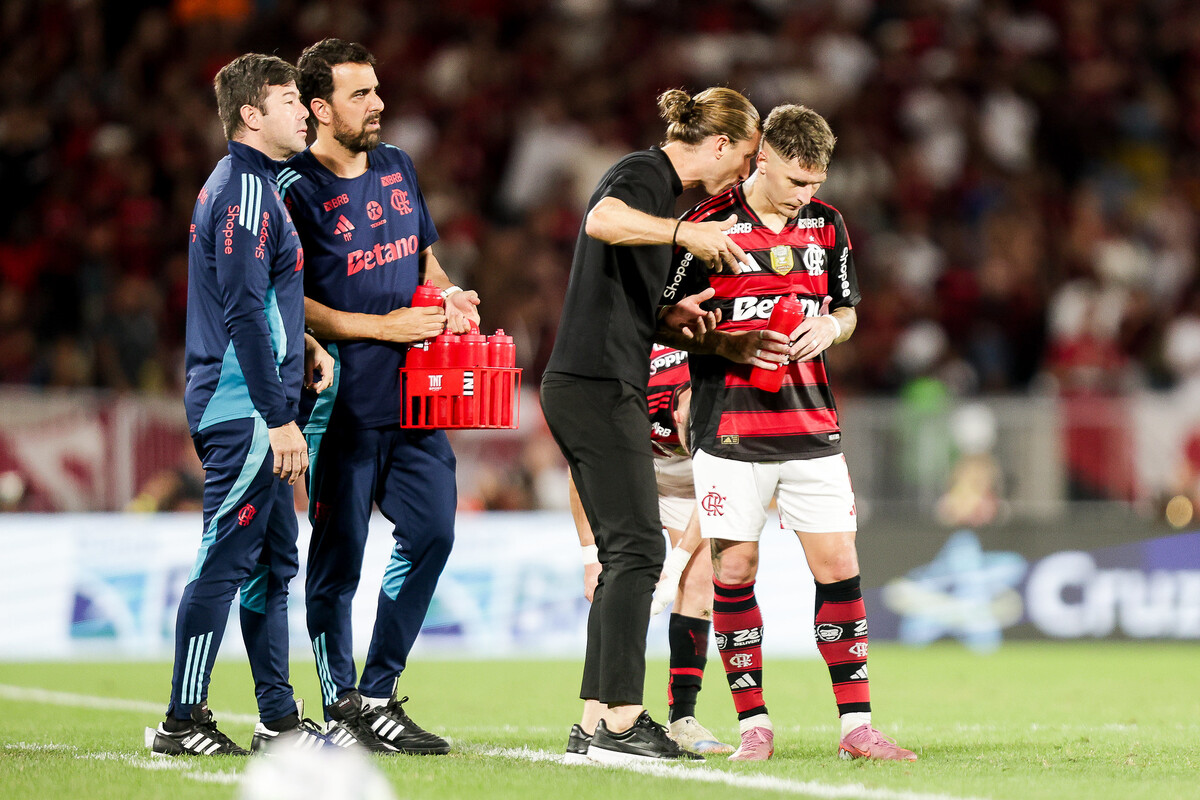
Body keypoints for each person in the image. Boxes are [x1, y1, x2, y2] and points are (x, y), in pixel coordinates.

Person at [676, 104, 917, 761]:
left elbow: (847, 311)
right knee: (737, 566)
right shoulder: (706, 224)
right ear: (763, 160)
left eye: (815, 183)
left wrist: (830, 328)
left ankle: (856, 727)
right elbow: (668, 317)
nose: (806, 196)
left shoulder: (828, 225)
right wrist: (729, 340)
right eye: (794, 182)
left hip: (811, 423)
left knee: (840, 565)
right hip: (727, 426)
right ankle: (755, 726)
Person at [541, 86, 763, 765]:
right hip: (597, 383)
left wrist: (668, 320)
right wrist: (686, 233)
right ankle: (622, 720)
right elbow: (603, 219)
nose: (746, 174)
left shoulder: (659, 193)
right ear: (720, 145)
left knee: (625, 556)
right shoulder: (645, 175)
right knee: (639, 550)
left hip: (596, 380)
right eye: (748, 158)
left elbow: (616, 284)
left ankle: (594, 720)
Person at [278, 38, 480, 754]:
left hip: (417, 399)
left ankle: (377, 691)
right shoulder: (292, 189)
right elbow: (288, 299)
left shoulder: (398, 166)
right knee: (338, 561)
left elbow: (422, 253)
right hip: (340, 405)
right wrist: (384, 327)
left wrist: (449, 294)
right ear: (319, 107)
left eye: (377, 90)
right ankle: (343, 707)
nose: (379, 104)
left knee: (433, 532)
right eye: (360, 94)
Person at [147, 53, 335, 756]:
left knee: (268, 565)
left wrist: (305, 345)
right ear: (252, 115)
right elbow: (245, 314)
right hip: (248, 411)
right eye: (290, 99)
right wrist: (279, 416)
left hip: (250, 401)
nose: (303, 111)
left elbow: (266, 307)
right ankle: (182, 721)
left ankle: (278, 721)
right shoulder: (247, 192)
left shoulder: (241, 187)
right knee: (225, 559)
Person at [564, 346, 733, 763]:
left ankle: (682, 720)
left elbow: (713, 487)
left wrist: (674, 567)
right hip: (633, 463)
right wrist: (590, 556)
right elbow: (579, 466)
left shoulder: (724, 402)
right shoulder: (635, 392)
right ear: (676, 416)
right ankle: (593, 722)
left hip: (689, 486)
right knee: (617, 571)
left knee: (698, 582)